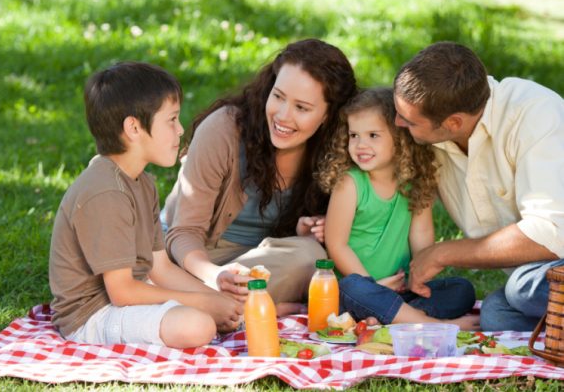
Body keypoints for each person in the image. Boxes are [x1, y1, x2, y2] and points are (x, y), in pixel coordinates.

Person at [49, 62, 242, 348]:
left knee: (224, 309)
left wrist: (215, 299)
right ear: (134, 127)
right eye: (172, 120)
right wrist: (204, 303)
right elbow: (122, 292)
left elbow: (160, 268)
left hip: (131, 295)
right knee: (198, 325)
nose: (180, 130)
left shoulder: (143, 182)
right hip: (91, 315)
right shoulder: (106, 192)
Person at [162, 39, 358, 314]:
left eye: (301, 108)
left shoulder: (339, 151)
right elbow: (183, 232)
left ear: (328, 115)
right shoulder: (224, 130)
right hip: (195, 257)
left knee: (310, 256)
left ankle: (213, 305)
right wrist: (214, 275)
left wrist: (311, 229)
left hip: (261, 265)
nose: (282, 116)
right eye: (278, 96)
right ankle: (258, 306)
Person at [393, 41, 564, 331]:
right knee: (497, 315)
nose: (396, 122)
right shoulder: (434, 132)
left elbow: (551, 232)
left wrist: (442, 253)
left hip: (550, 258)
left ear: (454, 122)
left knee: (522, 289)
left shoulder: (536, 114)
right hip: (545, 272)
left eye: (409, 121)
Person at [318, 88, 478, 329]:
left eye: (373, 135)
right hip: (358, 292)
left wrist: (419, 279)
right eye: (354, 135)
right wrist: (372, 285)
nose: (360, 144)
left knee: (461, 290)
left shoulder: (415, 182)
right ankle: (432, 325)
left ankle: (392, 318)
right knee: (353, 288)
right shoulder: (349, 183)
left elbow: (422, 236)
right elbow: (336, 244)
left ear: (400, 138)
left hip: (400, 290)